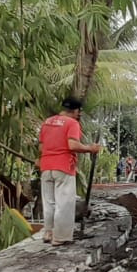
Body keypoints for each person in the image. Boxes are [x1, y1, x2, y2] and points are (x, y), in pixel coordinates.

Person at [38, 97, 102, 246]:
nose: (79, 115)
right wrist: (89, 148)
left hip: (46, 166)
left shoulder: (47, 122)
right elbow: (72, 145)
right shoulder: (72, 123)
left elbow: (41, 147)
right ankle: (60, 237)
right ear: (75, 111)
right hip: (63, 167)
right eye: (79, 112)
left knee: (49, 202)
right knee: (64, 203)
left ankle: (48, 232)